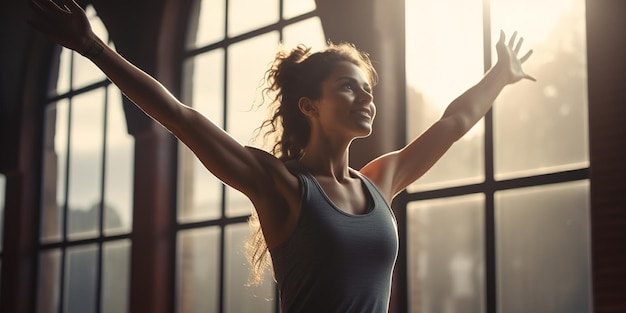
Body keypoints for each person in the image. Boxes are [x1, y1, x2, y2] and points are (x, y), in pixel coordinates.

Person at [28, 0, 535, 312]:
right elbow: (181, 117)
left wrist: (498, 76)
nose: (367, 99)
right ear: (309, 105)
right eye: (349, 88)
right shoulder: (282, 187)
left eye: (368, 89)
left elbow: (453, 123)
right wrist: (95, 47)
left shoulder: (381, 181)